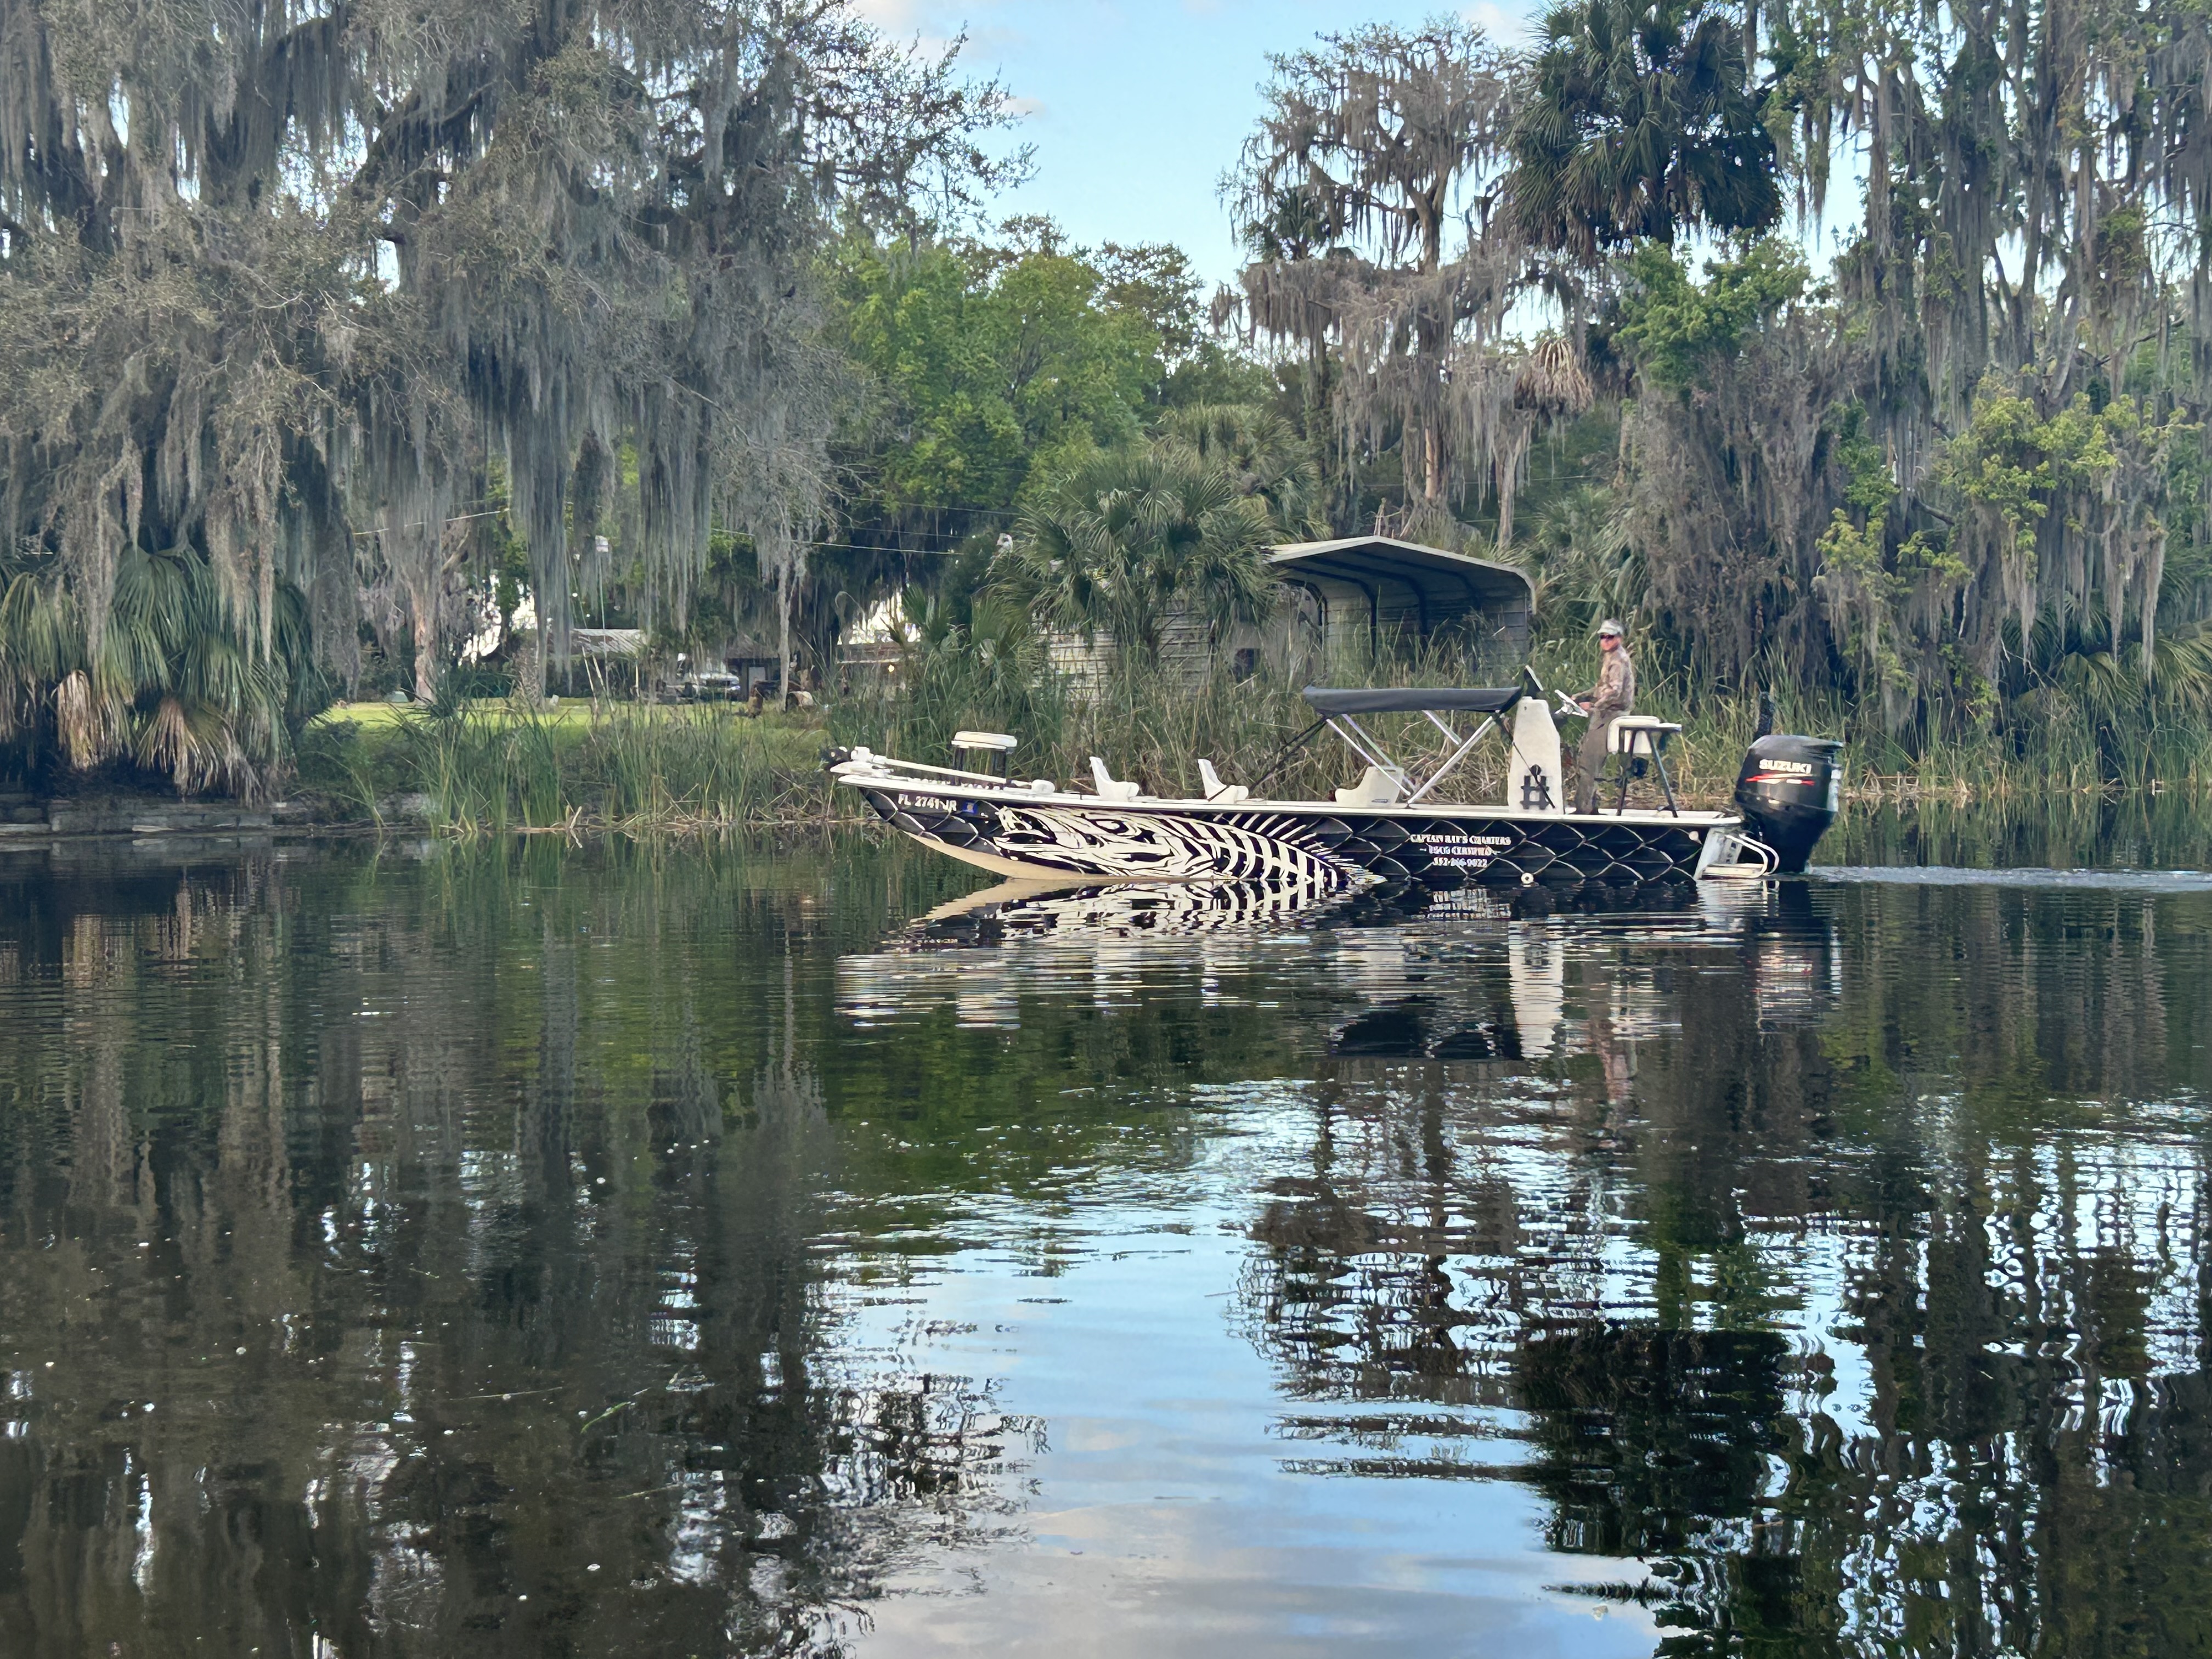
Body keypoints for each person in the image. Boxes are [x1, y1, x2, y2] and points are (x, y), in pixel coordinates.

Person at [1572, 619, 1635, 813]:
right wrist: (1581, 696)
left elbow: (1615, 691)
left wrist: (1594, 706)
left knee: (1588, 763)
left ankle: (1584, 810)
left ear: (1619, 638)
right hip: (1608, 711)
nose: (1606, 640)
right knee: (1587, 760)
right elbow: (1603, 687)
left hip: (1610, 714)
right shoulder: (1612, 657)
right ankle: (1591, 805)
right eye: (1603, 637)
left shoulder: (1618, 659)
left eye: (1610, 637)